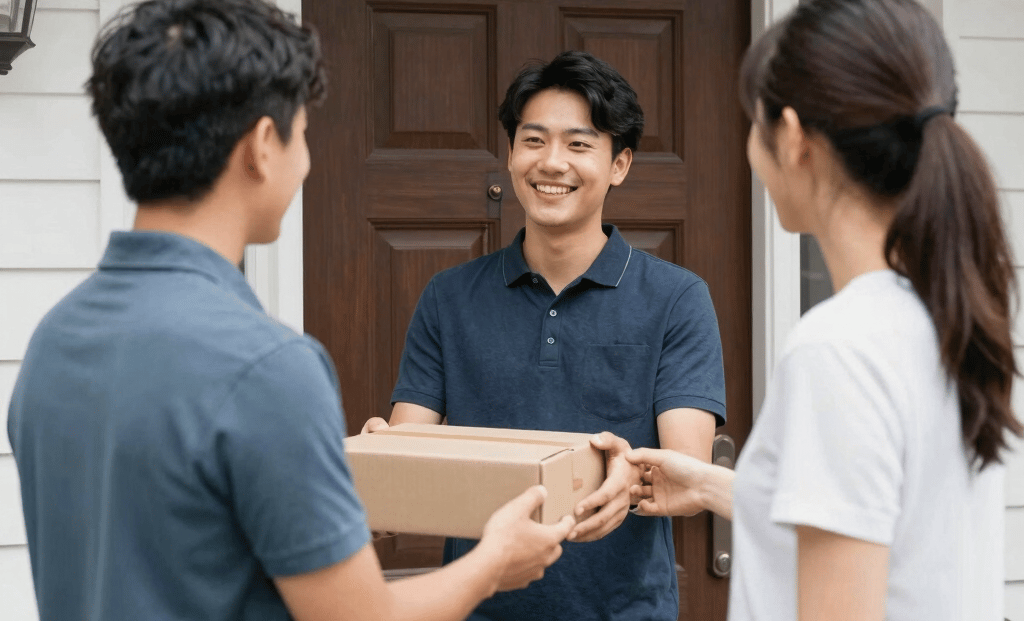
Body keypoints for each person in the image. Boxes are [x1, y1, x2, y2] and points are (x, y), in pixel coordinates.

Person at [5, 1, 575, 620]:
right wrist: (492, 562)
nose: (306, 161)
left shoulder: (55, 339)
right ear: (262, 146)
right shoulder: (267, 366)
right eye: (303, 133)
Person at [624, 1, 1023, 620]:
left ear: (791, 136)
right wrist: (706, 483)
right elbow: (889, 525)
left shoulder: (839, 348)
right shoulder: (942, 315)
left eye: (750, 124)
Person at [362, 50, 727, 621]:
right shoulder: (448, 296)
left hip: (625, 611)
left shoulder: (678, 298)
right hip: (476, 608)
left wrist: (626, 477)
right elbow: (413, 453)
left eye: (579, 144)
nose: (551, 162)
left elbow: (685, 467)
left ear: (620, 164)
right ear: (510, 156)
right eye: (533, 140)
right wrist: (382, 460)